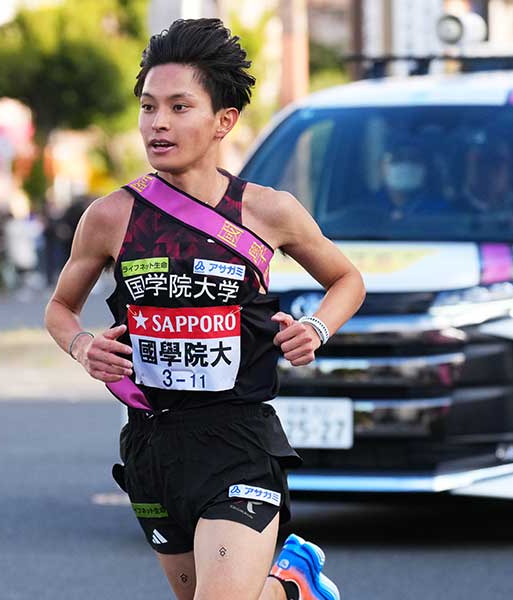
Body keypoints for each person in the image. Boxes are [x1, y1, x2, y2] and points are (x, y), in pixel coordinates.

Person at [44, 19, 364, 600]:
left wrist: (317, 327)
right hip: (153, 442)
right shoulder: (111, 217)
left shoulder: (267, 211)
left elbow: (346, 280)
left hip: (238, 438)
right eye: (148, 107)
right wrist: (83, 345)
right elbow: (60, 309)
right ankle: (292, 588)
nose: (158, 123)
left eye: (178, 106)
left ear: (224, 121)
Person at [374, 142, 448, 222]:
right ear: (381, 169)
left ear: (426, 170)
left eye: (414, 159)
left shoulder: (441, 210)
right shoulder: (368, 205)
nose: (406, 165)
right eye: (397, 158)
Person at [458, 139, 513, 228]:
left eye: (498, 161)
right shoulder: (449, 215)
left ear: (511, 169)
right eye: (482, 161)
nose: (490, 170)